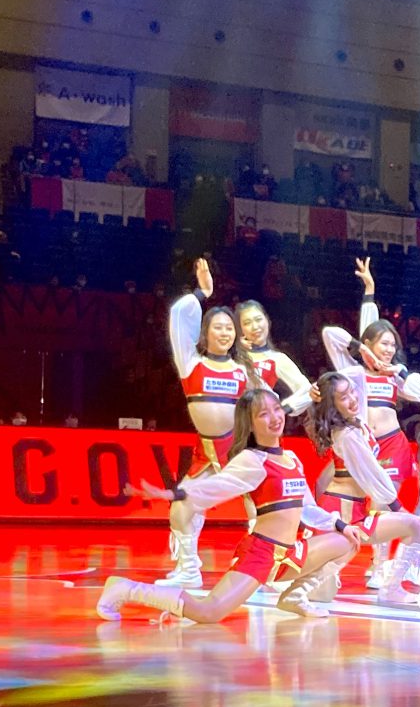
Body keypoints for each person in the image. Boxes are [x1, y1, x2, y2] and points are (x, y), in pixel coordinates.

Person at [96, 388, 354, 624]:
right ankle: (126, 588)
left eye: (276, 409)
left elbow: (307, 508)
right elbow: (216, 486)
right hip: (261, 555)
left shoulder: (292, 459)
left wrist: (341, 525)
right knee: (208, 612)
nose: (275, 417)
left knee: (349, 540)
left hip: (291, 554)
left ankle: (295, 597)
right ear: (249, 424)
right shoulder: (252, 460)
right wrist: (172, 493)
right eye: (263, 414)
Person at [322, 258, 420, 585]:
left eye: (393, 345)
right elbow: (331, 335)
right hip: (362, 445)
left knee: (384, 501)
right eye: (383, 343)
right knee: (357, 502)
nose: (389, 349)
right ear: (368, 345)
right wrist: (369, 294)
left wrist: (400, 371)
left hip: (393, 443)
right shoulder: (351, 371)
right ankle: (330, 560)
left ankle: (380, 565)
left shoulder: (396, 376)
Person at [157, 258, 249, 590]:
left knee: (262, 509)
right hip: (206, 454)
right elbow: (179, 315)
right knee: (182, 507)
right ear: (205, 332)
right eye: (218, 327)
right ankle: (188, 569)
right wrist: (202, 293)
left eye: (229, 328)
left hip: (239, 453)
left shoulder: (244, 371)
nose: (225, 332)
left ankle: (270, 568)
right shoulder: (191, 363)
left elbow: (267, 409)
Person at [309, 368, 420, 599]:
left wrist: (317, 386)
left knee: (415, 526)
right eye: (343, 397)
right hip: (342, 514)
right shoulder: (347, 434)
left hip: (355, 509)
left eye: (352, 392)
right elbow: (373, 474)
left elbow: (355, 373)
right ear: (332, 405)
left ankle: (391, 587)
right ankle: (387, 583)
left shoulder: (356, 421)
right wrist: (396, 506)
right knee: (320, 594)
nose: (353, 398)